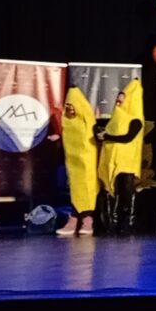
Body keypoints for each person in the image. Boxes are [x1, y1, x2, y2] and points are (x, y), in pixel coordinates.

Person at [96, 81, 144, 232]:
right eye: (117, 100)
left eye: (122, 100)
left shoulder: (135, 120)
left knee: (126, 190)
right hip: (112, 160)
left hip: (126, 162)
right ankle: (112, 221)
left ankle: (128, 221)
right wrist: (101, 135)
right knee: (112, 190)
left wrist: (108, 136)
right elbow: (106, 133)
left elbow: (127, 138)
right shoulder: (115, 119)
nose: (118, 103)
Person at [57, 87, 98, 236]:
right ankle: (74, 218)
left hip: (87, 161)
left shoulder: (87, 121)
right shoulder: (67, 122)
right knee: (75, 189)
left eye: (72, 105)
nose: (70, 108)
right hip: (73, 163)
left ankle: (87, 218)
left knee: (87, 188)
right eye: (67, 105)